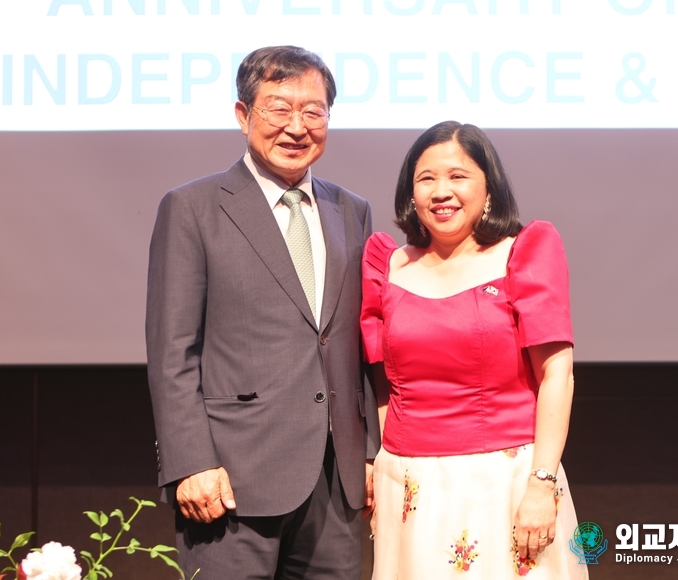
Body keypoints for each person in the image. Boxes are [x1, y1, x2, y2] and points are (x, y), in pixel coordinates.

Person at [146, 46, 378, 580]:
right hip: (230, 480)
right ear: (243, 115)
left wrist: (367, 452)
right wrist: (190, 462)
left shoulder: (352, 210)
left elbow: (359, 340)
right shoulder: (193, 207)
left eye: (313, 111)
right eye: (279, 109)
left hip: (335, 483)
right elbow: (172, 352)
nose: (297, 127)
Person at [360, 121, 587, 578]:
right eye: (426, 179)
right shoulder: (384, 264)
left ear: (489, 187)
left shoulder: (524, 252)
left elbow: (557, 375)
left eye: (457, 176)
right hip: (409, 484)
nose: (441, 191)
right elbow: (382, 382)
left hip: (506, 481)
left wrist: (541, 484)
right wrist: (382, 459)